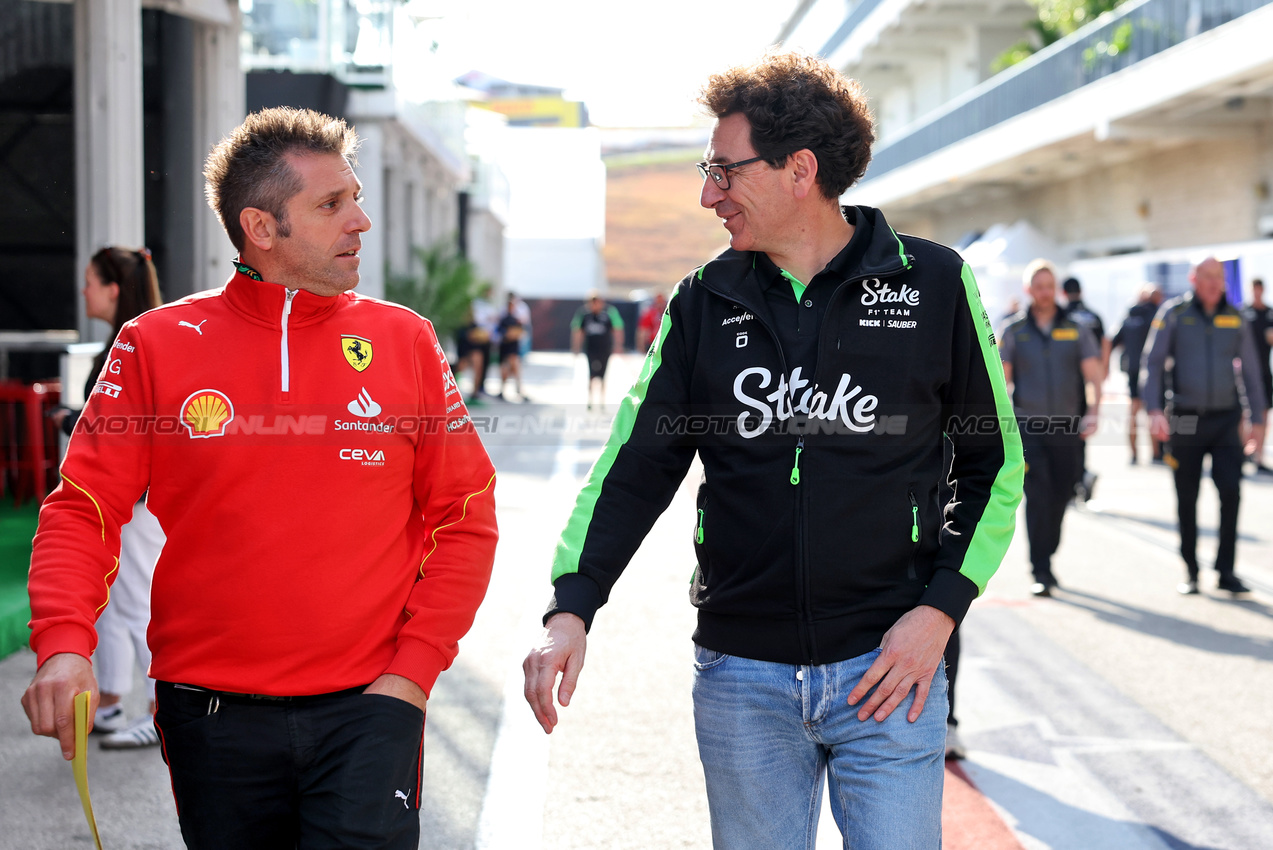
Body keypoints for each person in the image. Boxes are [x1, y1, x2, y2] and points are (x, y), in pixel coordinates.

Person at [523, 52, 1023, 849]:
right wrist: (570, 606)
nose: (706, 193)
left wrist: (938, 612)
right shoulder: (703, 299)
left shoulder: (932, 282)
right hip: (741, 679)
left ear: (799, 170)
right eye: (705, 170)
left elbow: (993, 465)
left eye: (724, 170)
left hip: (888, 666)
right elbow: (636, 465)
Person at [22, 107, 498, 848]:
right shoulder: (156, 343)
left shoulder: (403, 338)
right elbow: (83, 508)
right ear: (261, 227)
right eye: (332, 204)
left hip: (370, 709)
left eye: (357, 197)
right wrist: (63, 644)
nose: (360, 222)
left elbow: (465, 514)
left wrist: (410, 678)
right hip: (209, 716)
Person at [50, 247, 167, 749]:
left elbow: (122, 428)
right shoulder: (134, 340)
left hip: (138, 502)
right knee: (119, 606)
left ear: (113, 289)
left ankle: (161, 713)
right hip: (130, 501)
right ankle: (117, 703)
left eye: (91, 282)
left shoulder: (134, 344)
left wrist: (70, 420)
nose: (84, 291)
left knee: (140, 604)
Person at [1143, 257, 1266, 595]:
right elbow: (1152, 364)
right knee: (1187, 496)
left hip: (1226, 418)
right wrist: (1153, 410)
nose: (1214, 283)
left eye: (1219, 277)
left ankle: (1226, 570)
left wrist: (1257, 420)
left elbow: (1252, 372)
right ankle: (1191, 569)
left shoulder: (1235, 316)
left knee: (1231, 492)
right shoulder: (1174, 313)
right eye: (1207, 276)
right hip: (1185, 417)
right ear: (1193, 278)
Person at [999, 261, 1102, 597]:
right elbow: (1001, 381)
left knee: (1062, 494)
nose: (1044, 292)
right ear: (1029, 290)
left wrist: (1095, 411)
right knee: (1038, 496)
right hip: (1028, 428)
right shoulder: (1015, 331)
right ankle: (1039, 568)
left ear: (1056, 289)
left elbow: (1093, 376)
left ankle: (1049, 552)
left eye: (1049, 285)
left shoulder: (1076, 328)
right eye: (1038, 286)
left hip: (1067, 428)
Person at [1061, 276, 1108, 501]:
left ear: (1063, 292)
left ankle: (1074, 481)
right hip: (1090, 380)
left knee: (1067, 435)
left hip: (1068, 385)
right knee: (1082, 433)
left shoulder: (1062, 317)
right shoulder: (1094, 316)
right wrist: (1102, 374)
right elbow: (1104, 346)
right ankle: (1080, 476)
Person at [1110, 283, 1164, 464]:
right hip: (1151, 371)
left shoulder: (1129, 316)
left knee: (1133, 412)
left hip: (1132, 370)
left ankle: (1134, 454)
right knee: (1153, 410)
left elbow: (1113, 341)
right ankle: (1156, 453)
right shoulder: (1157, 315)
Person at [570, 291, 624, 411]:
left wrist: (618, 345)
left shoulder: (609, 313)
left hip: (605, 349)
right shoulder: (584, 314)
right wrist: (576, 348)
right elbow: (577, 331)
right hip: (590, 349)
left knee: (603, 375)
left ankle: (602, 401)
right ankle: (590, 400)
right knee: (591, 374)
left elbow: (618, 328)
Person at [1242, 278, 1273, 472]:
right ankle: (1246, 451)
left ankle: (1258, 456)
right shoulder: (1243, 313)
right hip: (1244, 371)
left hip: (1263, 371)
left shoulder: (1269, 313)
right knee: (1245, 414)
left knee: (1263, 413)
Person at [496, 292, 528, 401]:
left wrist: (514, 334)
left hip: (513, 347)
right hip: (505, 346)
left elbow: (522, 332)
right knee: (505, 369)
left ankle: (519, 390)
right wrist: (509, 334)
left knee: (515, 368)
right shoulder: (504, 319)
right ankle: (503, 390)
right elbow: (501, 332)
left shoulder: (516, 319)